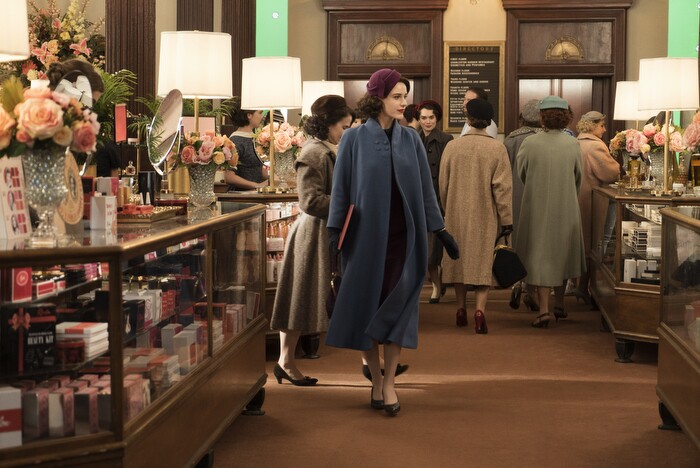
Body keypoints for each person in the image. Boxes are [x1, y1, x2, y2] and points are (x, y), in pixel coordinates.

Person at [326, 68, 459, 416]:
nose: (405, 103)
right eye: (397, 96)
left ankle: (389, 383)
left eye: (405, 96)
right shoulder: (353, 139)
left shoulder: (411, 138)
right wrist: (333, 232)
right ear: (378, 98)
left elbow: (426, 190)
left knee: (400, 306)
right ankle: (374, 378)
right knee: (368, 306)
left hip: (405, 239)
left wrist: (440, 229)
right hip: (365, 240)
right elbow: (340, 189)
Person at [270, 95, 355, 386]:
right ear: (329, 125)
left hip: (323, 231)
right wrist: (348, 203)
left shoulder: (328, 148)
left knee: (301, 299)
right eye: (343, 127)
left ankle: (285, 361)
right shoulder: (314, 152)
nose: (346, 132)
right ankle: (285, 361)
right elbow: (309, 201)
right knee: (300, 298)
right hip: (313, 233)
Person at [440, 99, 512, 333]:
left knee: (458, 260)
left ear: (468, 119)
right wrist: (507, 220)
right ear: (489, 121)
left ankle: (460, 308)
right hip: (485, 213)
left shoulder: (452, 146)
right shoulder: (497, 148)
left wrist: (447, 206)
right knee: (483, 263)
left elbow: (443, 184)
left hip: (455, 213)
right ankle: (480, 311)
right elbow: (502, 189)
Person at [515, 96, 586, 328]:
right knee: (562, 253)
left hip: (536, 207)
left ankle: (543, 310)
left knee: (541, 257)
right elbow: (578, 178)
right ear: (566, 117)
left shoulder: (530, 143)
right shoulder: (573, 144)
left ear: (542, 117)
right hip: (566, 205)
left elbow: (521, 174)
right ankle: (560, 304)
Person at [575, 111, 620, 305]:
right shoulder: (595, 146)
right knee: (597, 244)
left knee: (582, 244)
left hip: (577, 198)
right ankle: (589, 287)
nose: (604, 129)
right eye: (602, 125)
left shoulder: (575, 143)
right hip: (594, 200)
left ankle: (579, 286)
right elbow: (611, 173)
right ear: (592, 126)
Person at [503, 99, 542, 312]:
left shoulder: (510, 139)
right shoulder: (544, 140)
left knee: (516, 243)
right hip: (538, 199)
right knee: (536, 244)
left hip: (514, 199)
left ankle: (517, 282)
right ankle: (531, 288)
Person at [416, 99, 453, 303]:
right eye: (423, 118)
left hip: (439, 199)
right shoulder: (413, 138)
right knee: (427, 251)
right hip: (419, 199)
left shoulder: (446, 139)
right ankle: (436, 286)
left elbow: (449, 173)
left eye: (431, 117)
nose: (427, 121)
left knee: (439, 249)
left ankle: (441, 283)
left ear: (437, 118)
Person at [224, 98, 269, 190]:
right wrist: (257, 185)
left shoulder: (253, 138)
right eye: (260, 113)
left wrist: (275, 178)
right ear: (249, 115)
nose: (262, 117)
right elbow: (229, 177)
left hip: (254, 195)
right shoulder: (235, 141)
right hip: (240, 197)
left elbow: (256, 168)